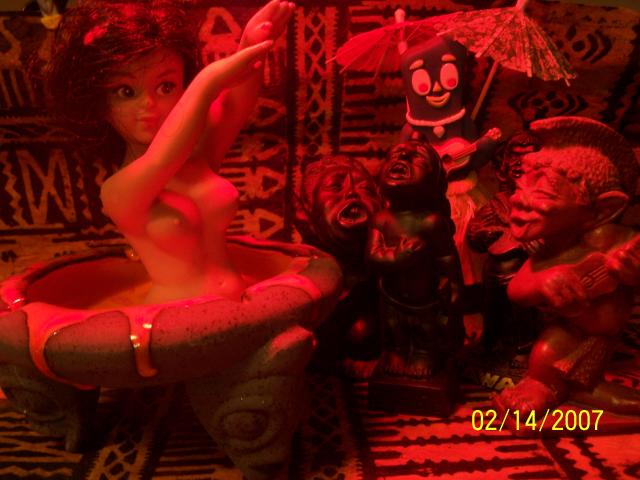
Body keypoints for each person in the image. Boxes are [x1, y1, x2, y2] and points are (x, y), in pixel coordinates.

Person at [42, 0, 294, 303]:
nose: (148, 105)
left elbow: (231, 107)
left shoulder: (197, 155)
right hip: (172, 323)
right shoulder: (118, 191)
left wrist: (252, 43)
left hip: (238, 308)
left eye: (166, 86)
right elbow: (160, 160)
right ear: (100, 104)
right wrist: (207, 82)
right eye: (126, 92)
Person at [494, 116, 640, 417]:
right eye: (520, 188)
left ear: (601, 211)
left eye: (544, 194)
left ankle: (566, 387)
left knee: (553, 350)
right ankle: (550, 384)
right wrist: (543, 280)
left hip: (601, 334)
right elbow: (517, 289)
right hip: (568, 330)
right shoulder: (552, 245)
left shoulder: (619, 240)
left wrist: (634, 272)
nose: (519, 201)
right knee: (548, 349)